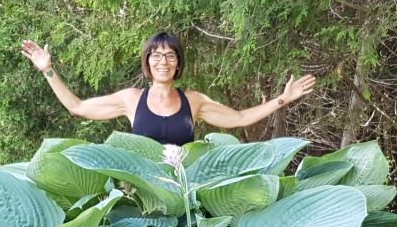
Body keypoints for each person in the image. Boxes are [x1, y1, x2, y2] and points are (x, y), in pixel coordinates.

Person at [20, 32, 315, 146]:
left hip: (182, 192)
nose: (163, 61)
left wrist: (283, 99)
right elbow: (78, 107)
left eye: (170, 55)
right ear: (148, 62)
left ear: (178, 64)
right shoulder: (131, 99)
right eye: (156, 55)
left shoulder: (193, 101)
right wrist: (48, 70)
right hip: (140, 193)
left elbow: (239, 118)